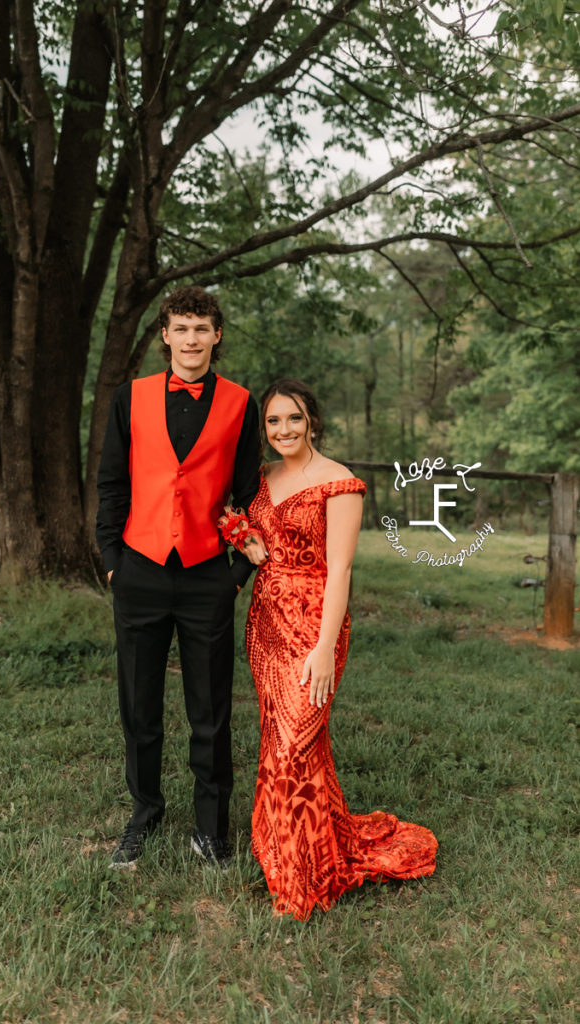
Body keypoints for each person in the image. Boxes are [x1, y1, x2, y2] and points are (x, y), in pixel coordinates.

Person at [230, 378, 438, 920]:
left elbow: (340, 569)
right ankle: (297, 852)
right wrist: (243, 537)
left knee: (295, 746)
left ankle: (299, 880)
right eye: (273, 422)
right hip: (266, 625)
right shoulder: (260, 478)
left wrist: (324, 648)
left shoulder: (339, 482)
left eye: (293, 419)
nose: (283, 430)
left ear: (312, 421)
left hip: (314, 627)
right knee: (281, 742)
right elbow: (236, 520)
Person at [96, 285, 265, 870]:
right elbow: (113, 484)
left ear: (217, 336)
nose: (191, 338)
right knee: (139, 706)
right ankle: (144, 813)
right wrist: (113, 560)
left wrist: (237, 573)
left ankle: (211, 828)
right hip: (139, 569)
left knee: (210, 709)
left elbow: (250, 494)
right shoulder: (130, 397)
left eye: (202, 328)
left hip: (205, 577)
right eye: (181, 328)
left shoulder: (242, 404)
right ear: (165, 335)